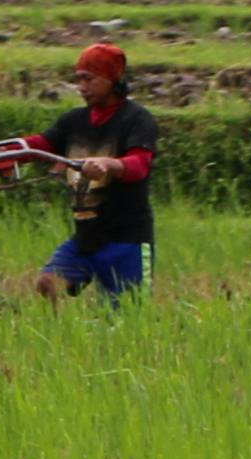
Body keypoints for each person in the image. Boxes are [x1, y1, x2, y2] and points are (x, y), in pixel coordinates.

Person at [18, 41, 156, 300]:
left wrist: (108, 164)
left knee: (128, 315)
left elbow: (140, 164)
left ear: (111, 79)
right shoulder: (74, 121)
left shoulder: (137, 119)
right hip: (86, 238)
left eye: (89, 79)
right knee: (49, 284)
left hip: (127, 240)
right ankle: (60, 336)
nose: (82, 87)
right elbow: (39, 145)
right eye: (79, 79)